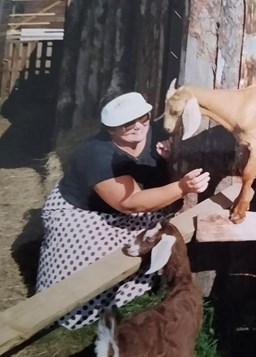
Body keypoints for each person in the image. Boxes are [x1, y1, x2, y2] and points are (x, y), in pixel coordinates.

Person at [35, 91, 210, 329]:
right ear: (110, 129)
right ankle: (73, 311)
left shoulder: (157, 131)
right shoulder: (97, 155)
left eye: (144, 118)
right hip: (88, 213)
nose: (138, 126)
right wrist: (182, 187)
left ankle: (133, 289)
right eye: (127, 123)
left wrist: (172, 155)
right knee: (81, 280)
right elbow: (130, 202)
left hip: (137, 210)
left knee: (142, 246)